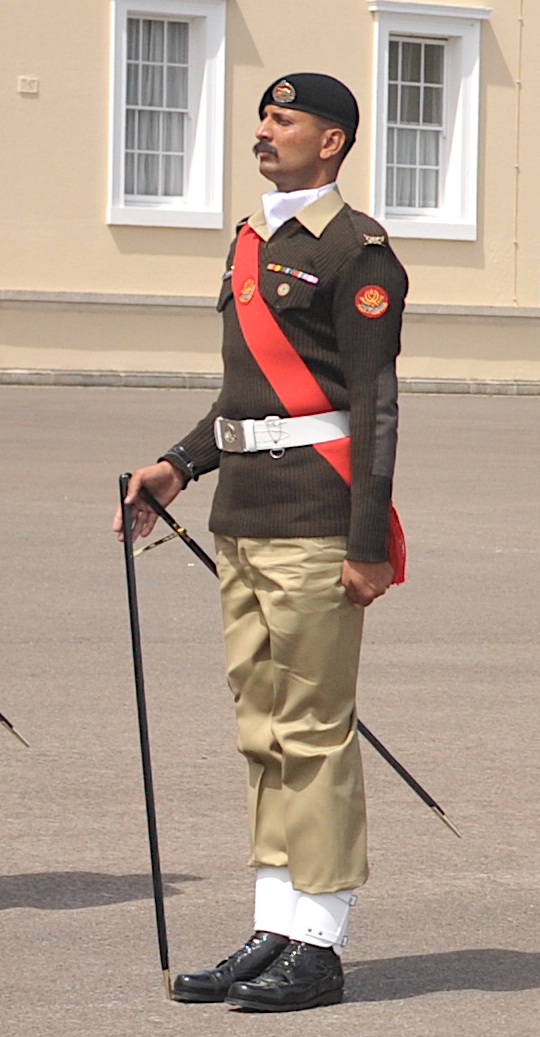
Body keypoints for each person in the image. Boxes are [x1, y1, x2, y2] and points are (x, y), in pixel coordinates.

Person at [113, 73, 408, 1012]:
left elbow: (375, 409)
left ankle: (319, 943)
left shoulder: (359, 254)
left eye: (285, 120)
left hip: (318, 525)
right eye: (263, 116)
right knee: (262, 730)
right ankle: (274, 921)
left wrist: (367, 544)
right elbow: (248, 399)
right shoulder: (255, 245)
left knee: (315, 733)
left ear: (332, 142)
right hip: (242, 517)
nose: (264, 129)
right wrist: (179, 464)